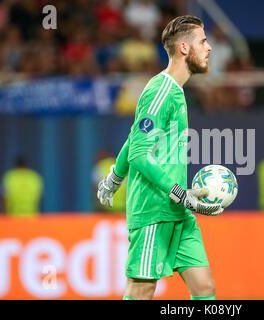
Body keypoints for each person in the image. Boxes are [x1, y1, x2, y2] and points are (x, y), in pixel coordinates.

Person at [97, 15, 222, 300]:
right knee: (142, 290)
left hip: (179, 210)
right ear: (184, 48)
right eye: (203, 41)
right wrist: (179, 193)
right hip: (155, 208)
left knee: (205, 288)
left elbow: (134, 138)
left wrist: (115, 177)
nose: (209, 47)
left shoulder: (174, 92)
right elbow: (141, 153)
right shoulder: (161, 89)